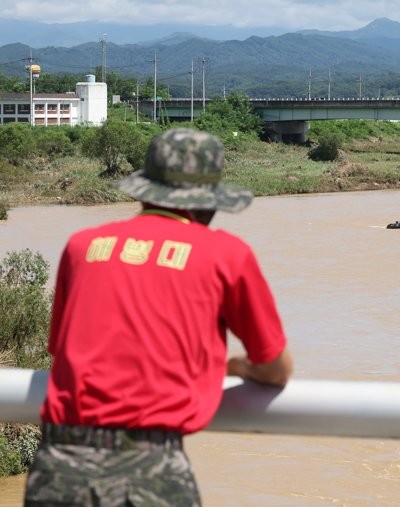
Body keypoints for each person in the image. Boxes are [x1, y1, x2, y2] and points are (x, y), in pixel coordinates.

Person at [25, 128, 294, 506]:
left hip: (58, 464)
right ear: (209, 204)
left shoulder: (82, 246)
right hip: (150, 466)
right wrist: (234, 366)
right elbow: (275, 368)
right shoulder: (226, 255)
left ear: (144, 190)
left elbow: (64, 352)